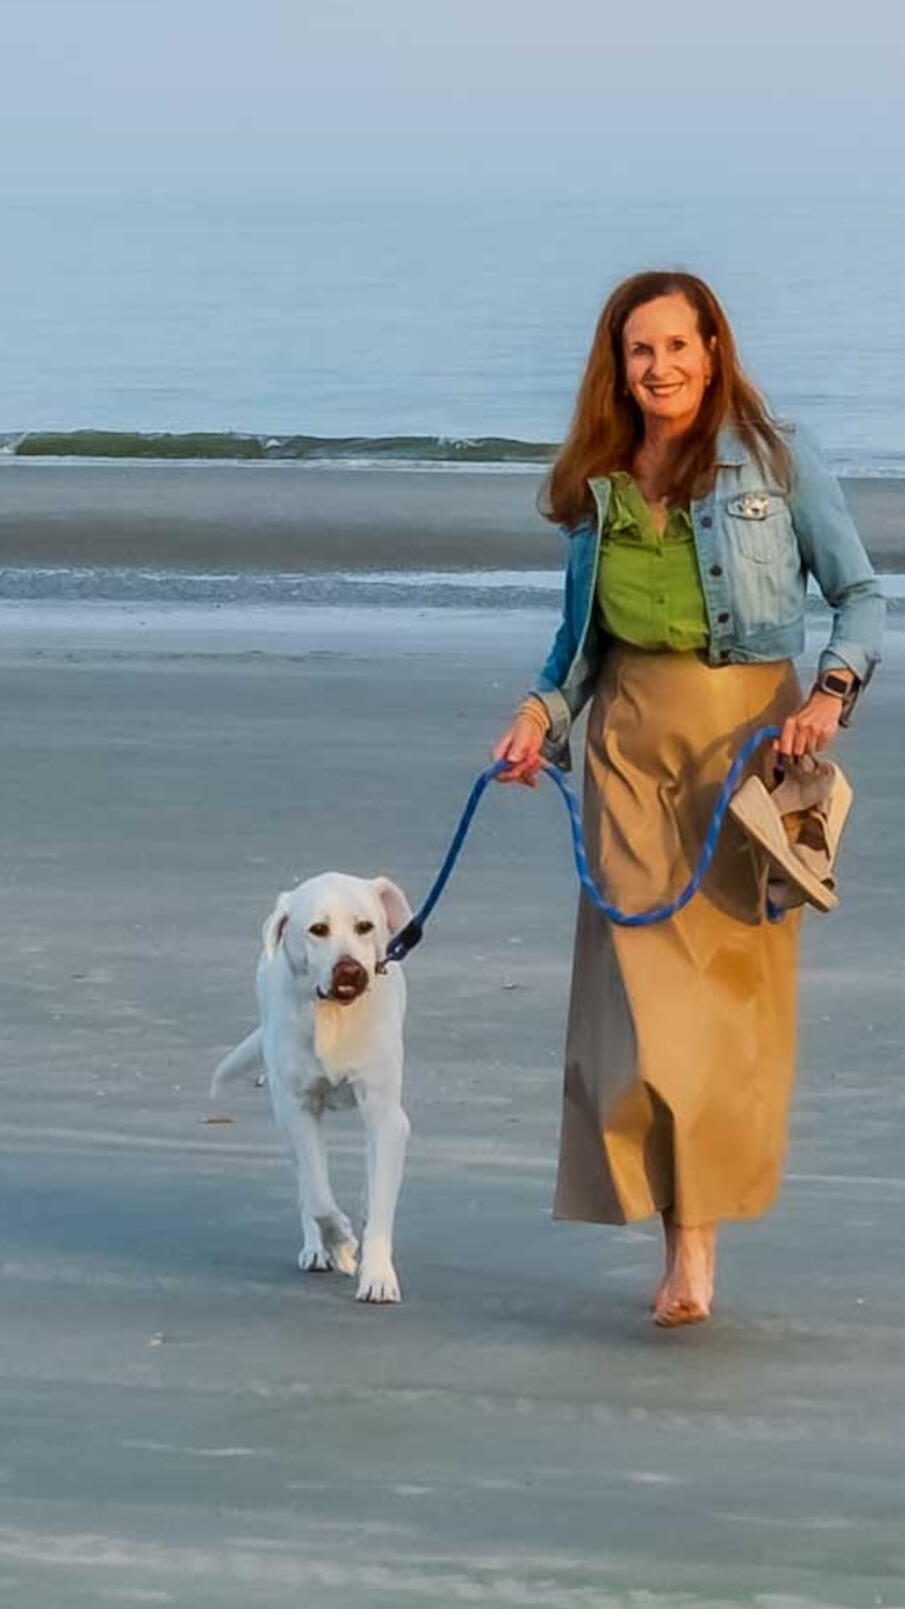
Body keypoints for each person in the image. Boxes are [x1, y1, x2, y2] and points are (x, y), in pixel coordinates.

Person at [493, 270, 885, 1328]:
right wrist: (538, 718)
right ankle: (680, 1234)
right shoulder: (600, 481)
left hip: (749, 750)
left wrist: (833, 692)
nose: (657, 366)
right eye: (637, 351)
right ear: (615, 366)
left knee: (725, 1009)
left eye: (675, 344)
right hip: (626, 744)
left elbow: (856, 593)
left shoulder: (775, 459)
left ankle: (695, 1242)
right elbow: (575, 644)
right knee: (642, 1013)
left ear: (712, 346)